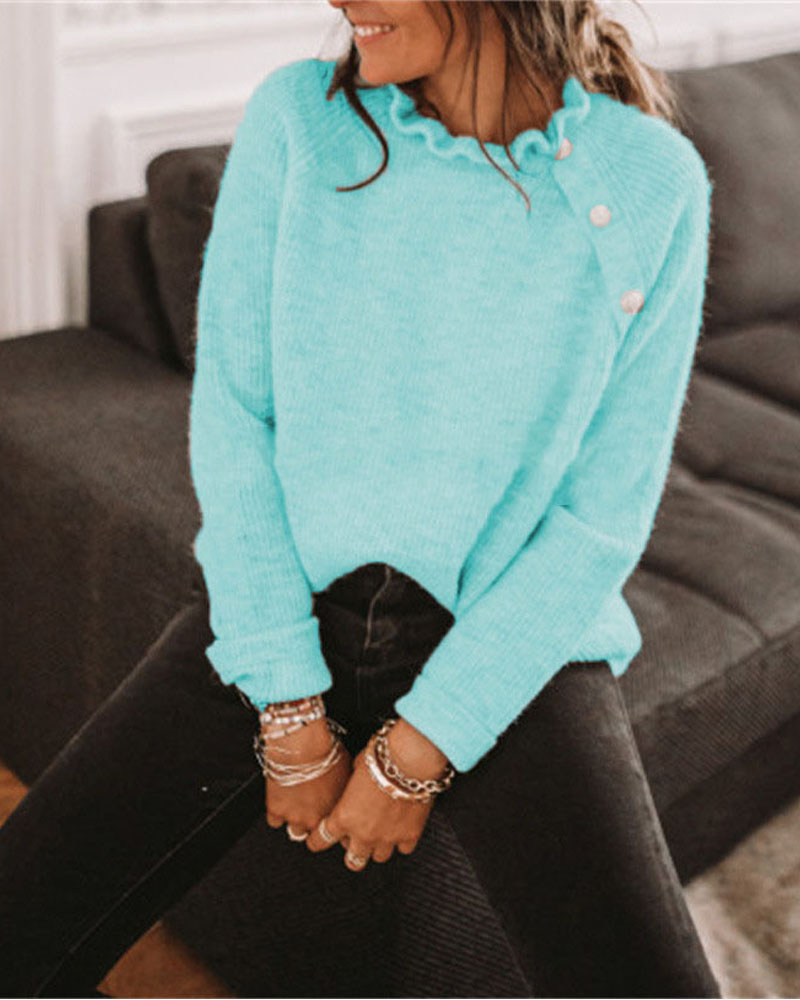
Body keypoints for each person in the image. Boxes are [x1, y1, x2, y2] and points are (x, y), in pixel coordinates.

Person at [0, 1, 721, 997]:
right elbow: (235, 414)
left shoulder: (650, 182)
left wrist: (419, 750)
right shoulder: (300, 121)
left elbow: (599, 519)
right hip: (283, 607)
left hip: (507, 642)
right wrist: (286, 700)